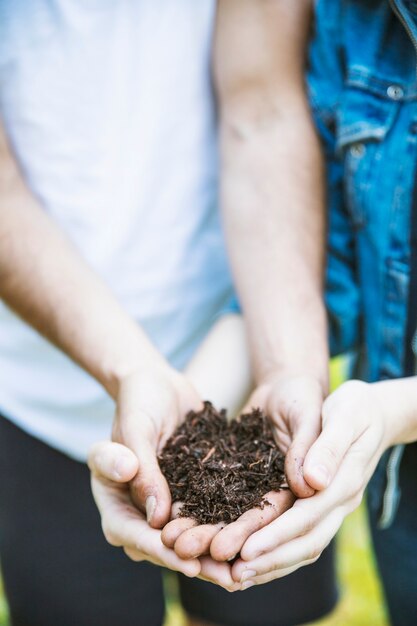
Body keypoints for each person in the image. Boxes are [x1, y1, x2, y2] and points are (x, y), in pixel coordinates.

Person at [0, 1, 338, 625]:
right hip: (36, 388)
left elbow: (261, 110)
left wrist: (289, 364)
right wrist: (133, 370)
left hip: (242, 336)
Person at [210, 2, 417, 625]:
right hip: (401, 481)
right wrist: (281, 369)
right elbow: (266, 117)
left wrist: (389, 411)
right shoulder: (352, 21)